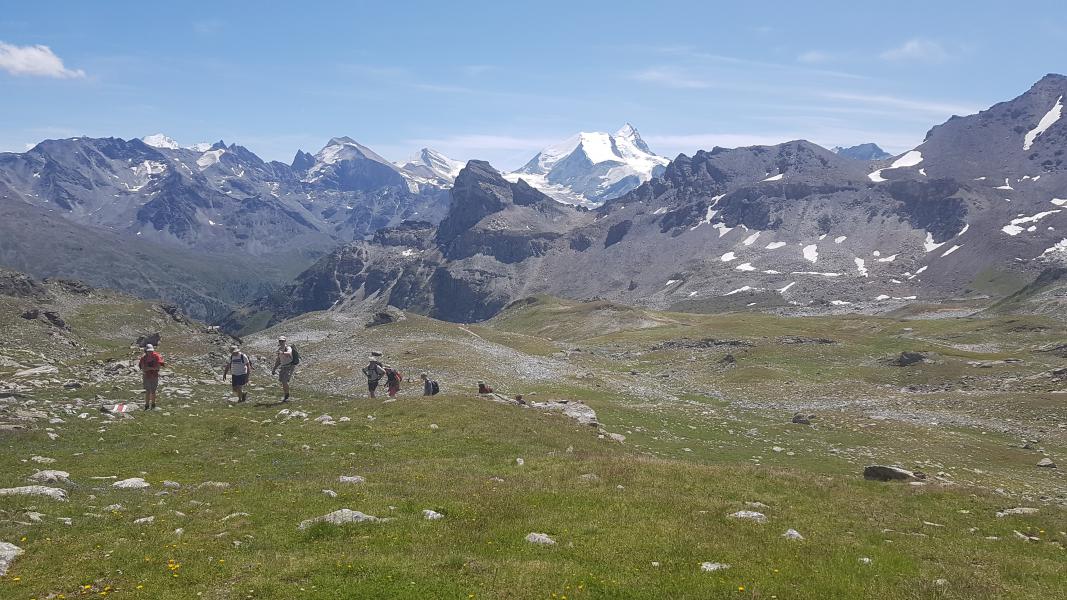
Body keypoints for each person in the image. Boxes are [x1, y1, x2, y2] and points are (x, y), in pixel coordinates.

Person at [137, 344, 164, 410]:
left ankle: (153, 404)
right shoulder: (143, 358)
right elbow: (144, 369)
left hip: (154, 376)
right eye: (149, 351)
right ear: (146, 351)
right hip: (146, 376)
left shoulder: (157, 356)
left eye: (151, 351)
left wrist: (149, 368)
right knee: (148, 391)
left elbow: (158, 367)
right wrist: (153, 368)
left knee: (153, 391)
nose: (150, 352)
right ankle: (146, 405)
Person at [271, 336, 296, 402]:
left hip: (289, 366)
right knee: (282, 381)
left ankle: (287, 396)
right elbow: (278, 360)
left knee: (284, 381)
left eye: (282, 341)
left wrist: (282, 353)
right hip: (283, 367)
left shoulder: (288, 347)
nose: (281, 342)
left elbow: (289, 353)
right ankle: (286, 395)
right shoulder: (279, 349)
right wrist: (274, 369)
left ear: (285, 341)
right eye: (280, 341)